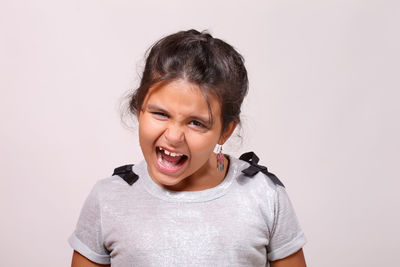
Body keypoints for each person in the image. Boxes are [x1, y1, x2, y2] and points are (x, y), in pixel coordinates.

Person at [69, 29, 307, 267]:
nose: (173, 136)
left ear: (226, 131)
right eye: (160, 114)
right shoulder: (108, 199)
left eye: (196, 123)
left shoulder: (265, 196)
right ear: (139, 108)